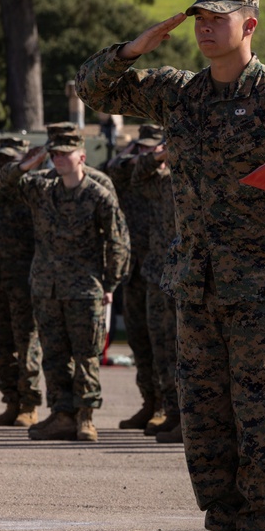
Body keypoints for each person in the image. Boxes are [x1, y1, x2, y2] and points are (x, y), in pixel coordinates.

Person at [76, 0, 265, 531]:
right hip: (196, 286)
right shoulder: (179, 94)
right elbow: (93, 91)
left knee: (261, 418)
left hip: (262, 289)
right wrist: (139, 45)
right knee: (206, 420)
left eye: (219, 16)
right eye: (198, 18)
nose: (205, 27)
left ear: (250, 24)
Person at [0, 124, 130, 443]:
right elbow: (5, 182)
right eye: (54, 153)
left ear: (82, 156)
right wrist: (30, 161)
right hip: (46, 287)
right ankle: (61, 415)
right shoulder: (41, 189)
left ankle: (85, 418)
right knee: (54, 356)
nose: (58, 159)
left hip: (85, 289)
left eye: (64, 153)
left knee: (85, 354)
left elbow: (118, 243)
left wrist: (110, 284)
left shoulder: (98, 194)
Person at [105, 125, 160, 433]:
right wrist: (133, 154)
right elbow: (113, 167)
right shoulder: (129, 175)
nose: (145, 154)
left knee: (162, 342)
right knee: (139, 340)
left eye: (151, 148)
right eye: (141, 148)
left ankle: (166, 405)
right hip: (135, 267)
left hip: (161, 270)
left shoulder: (169, 178)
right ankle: (149, 401)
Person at [130, 126, 183, 444]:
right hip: (156, 275)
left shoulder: (198, 182)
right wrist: (161, 153)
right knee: (161, 348)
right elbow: (137, 177)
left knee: (183, 351)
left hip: (184, 277)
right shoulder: (161, 184)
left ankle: (186, 417)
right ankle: (171, 412)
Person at [0, 136, 43, 428]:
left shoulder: (33, 189)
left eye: (10, 160)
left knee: (27, 341)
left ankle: (29, 404)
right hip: (1, 278)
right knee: (2, 344)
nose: (5, 165)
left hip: (25, 278)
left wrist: (25, 167)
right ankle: (12, 400)